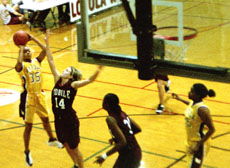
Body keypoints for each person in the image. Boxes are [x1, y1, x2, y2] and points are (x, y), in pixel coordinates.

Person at [44, 30, 103, 168]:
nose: (63, 70)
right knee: (65, 144)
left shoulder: (73, 84)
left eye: (67, 70)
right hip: (58, 118)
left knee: (74, 148)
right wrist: (47, 42)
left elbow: (89, 80)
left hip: (69, 120)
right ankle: (76, 164)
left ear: (71, 76)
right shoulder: (57, 79)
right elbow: (51, 60)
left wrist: (98, 69)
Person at [15, 33, 63, 167]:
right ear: (21, 54)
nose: (27, 52)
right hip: (28, 98)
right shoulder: (21, 66)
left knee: (46, 120)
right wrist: (21, 47)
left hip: (40, 95)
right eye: (25, 51)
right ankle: (27, 152)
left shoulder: (36, 61)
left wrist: (33, 38)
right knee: (28, 127)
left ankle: (52, 139)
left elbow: (45, 50)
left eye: (28, 50)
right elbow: (18, 63)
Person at [172, 83, 216, 168]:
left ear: (198, 95)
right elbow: (190, 104)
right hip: (190, 140)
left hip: (200, 143)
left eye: (192, 92)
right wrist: (180, 99)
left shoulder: (203, 110)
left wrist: (198, 144)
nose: (189, 92)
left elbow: (212, 129)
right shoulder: (193, 103)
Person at [94, 93, 142, 168]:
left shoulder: (110, 119)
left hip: (128, 154)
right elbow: (138, 129)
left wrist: (105, 155)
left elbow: (122, 142)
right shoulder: (122, 113)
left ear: (107, 104)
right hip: (136, 151)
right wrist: (116, 137)